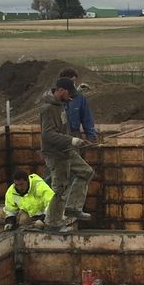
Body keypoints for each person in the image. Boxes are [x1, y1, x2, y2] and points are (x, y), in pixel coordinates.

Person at [39, 77, 93, 227]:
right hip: (55, 154)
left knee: (86, 172)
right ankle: (53, 222)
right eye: (69, 94)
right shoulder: (48, 109)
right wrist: (71, 140)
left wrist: (75, 142)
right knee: (60, 188)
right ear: (61, 90)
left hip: (66, 149)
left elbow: (63, 128)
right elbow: (47, 134)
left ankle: (73, 208)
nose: (71, 98)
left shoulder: (60, 105)